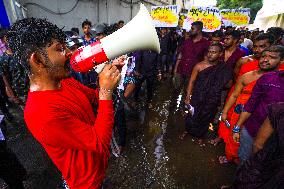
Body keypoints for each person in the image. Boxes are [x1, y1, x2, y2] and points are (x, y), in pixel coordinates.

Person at [7, 18, 123, 189]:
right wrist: (106, 91)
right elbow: (99, 142)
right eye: (60, 49)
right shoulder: (40, 113)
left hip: (97, 171)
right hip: (86, 184)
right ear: (38, 60)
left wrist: (108, 77)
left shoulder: (63, 81)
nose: (69, 53)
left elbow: (94, 98)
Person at [219, 45, 283, 164]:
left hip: (264, 120)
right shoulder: (247, 76)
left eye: (272, 57)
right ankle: (231, 157)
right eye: (264, 56)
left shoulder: (279, 81)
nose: (265, 59)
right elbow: (234, 95)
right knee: (235, 137)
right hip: (241, 112)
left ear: (281, 61)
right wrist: (225, 112)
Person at [213, 33, 273, 146]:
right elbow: (236, 77)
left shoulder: (275, 68)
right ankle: (222, 137)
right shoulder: (243, 61)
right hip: (237, 94)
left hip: (255, 101)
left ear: (271, 46)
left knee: (245, 125)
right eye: (255, 46)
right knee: (228, 118)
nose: (257, 50)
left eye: (262, 46)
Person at [179, 43, 232, 143]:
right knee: (192, 115)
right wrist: (187, 96)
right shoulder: (199, 66)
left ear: (220, 54)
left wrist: (218, 84)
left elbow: (228, 85)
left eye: (214, 52)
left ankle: (200, 135)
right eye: (209, 52)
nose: (210, 54)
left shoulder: (224, 68)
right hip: (197, 97)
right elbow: (192, 82)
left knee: (206, 117)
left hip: (212, 99)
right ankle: (187, 131)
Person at [233, 102, 284, 189]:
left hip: (266, 167)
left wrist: (255, 164)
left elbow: (258, 144)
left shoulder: (280, 111)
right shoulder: (279, 111)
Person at [173, 21, 210, 90]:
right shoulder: (187, 41)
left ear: (199, 30)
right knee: (175, 91)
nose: (190, 30)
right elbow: (180, 55)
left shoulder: (206, 43)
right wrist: (175, 69)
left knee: (188, 92)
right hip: (180, 71)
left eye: (193, 29)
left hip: (193, 74)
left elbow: (206, 60)